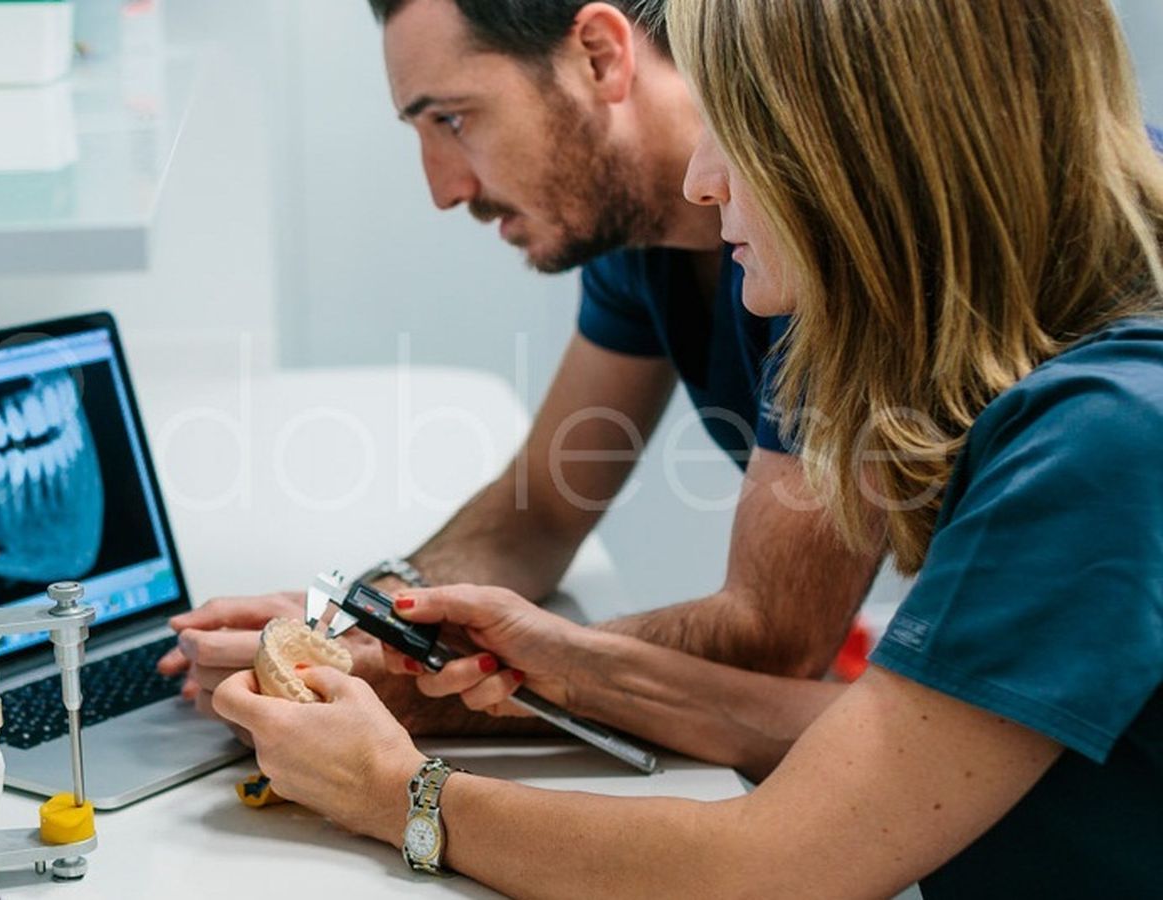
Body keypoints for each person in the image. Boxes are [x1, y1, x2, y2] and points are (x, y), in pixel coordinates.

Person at [212, 0, 1163, 895]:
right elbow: (903, 738)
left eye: (736, 132)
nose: (701, 182)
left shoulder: (1100, 435)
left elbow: (773, 866)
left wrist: (392, 790)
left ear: (871, 150)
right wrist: (562, 663)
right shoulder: (1081, 390)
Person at [159, 0, 880, 773]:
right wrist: (353, 621)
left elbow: (775, 637)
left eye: (453, 119)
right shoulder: (637, 234)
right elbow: (540, 507)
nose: (444, 189)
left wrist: (391, 685)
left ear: (600, 54)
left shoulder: (819, 243)